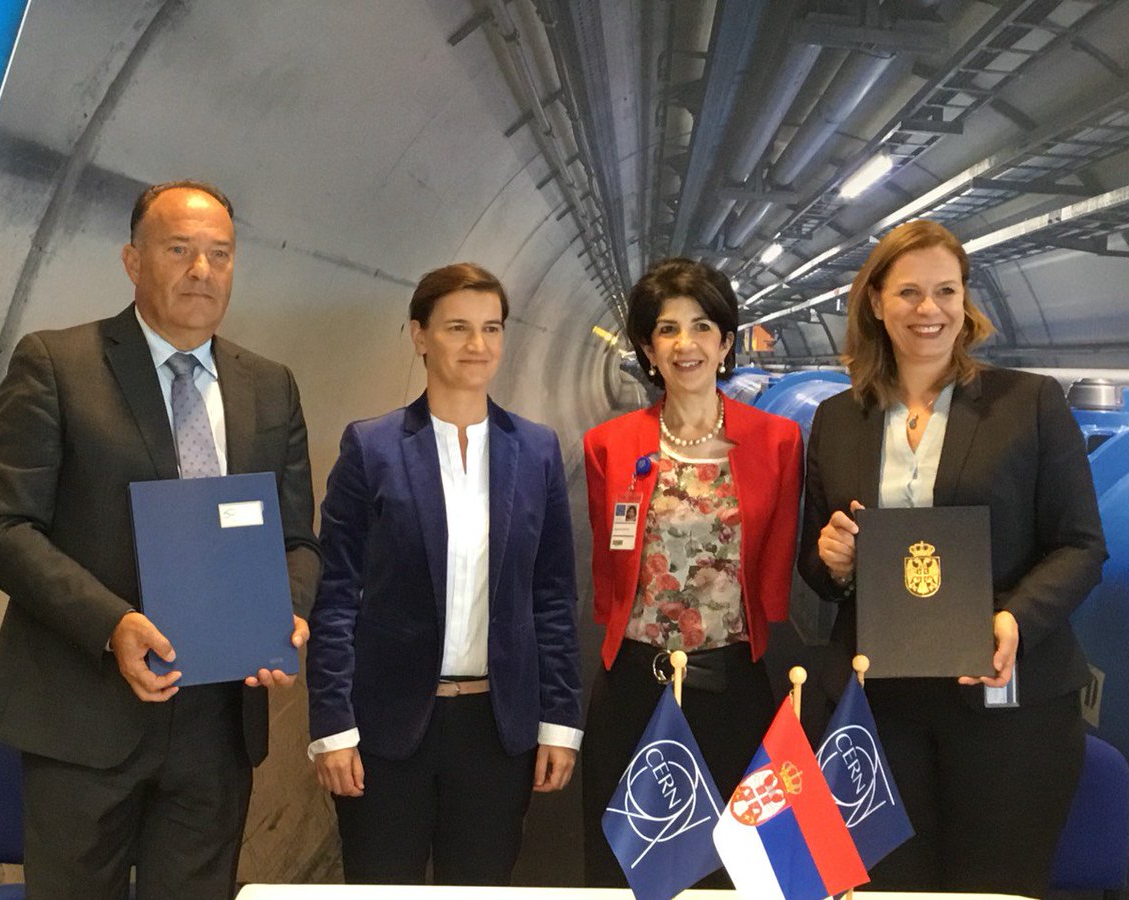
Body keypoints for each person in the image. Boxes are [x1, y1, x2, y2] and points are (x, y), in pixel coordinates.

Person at [0, 181, 321, 900]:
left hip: (217, 726)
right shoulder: (56, 365)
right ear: (133, 261)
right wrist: (113, 624)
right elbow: (1, 528)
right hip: (82, 713)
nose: (202, 270)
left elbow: (297, 540)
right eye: (179, 250)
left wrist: (281, 615)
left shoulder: (269, 386)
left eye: (220, 253)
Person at [799, 219, 1106, 894]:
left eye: (946, 290)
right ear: (875, 301)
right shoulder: (837, 418)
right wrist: (835, 562)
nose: (929, 309)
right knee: (885, 886)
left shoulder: (1028, 403)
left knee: (993, 888)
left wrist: (1016, 619)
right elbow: (817, 570)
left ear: (965, 299)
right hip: (879, 706)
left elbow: (1081, 544)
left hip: (1006, 703)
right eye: (908, 292)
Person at [306, 263, 583, 885]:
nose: (477, 344)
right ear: (420, 336)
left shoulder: (536, 450)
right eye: (457, 327)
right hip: (386, 726)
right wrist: (331, 725)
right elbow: (337, 595)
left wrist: (560, 721)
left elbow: (552, 598)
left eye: (491, 327)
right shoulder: (372, 448)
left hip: (496, 728)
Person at [582, 258, 803, 887]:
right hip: (633, 684)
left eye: (703, 326)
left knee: (736, 869)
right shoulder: (609, 444)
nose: (687, 344)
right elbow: (608, 563)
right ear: (648, 348)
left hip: (733, 685)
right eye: (668, 328)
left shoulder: (778, 440)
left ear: (726, 342)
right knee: (627, 866)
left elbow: (777, 560)